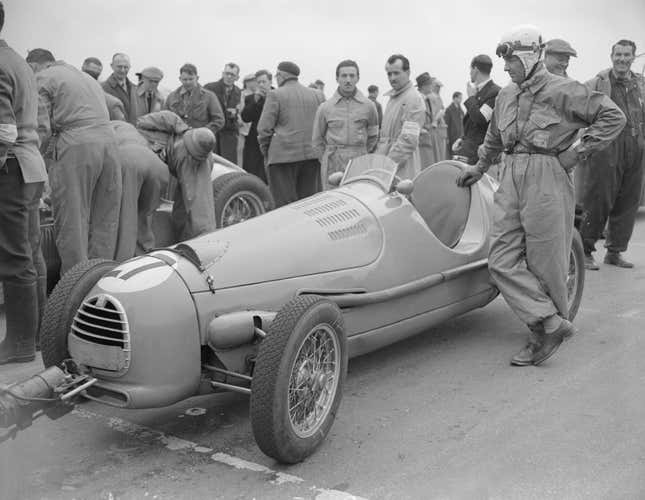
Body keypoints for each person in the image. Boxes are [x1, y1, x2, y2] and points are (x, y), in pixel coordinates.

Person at [456, 24, 625, 367]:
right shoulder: (506, 94)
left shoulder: (564, 90)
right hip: (510, 175)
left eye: (512, 61)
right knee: (500, 259)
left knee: (546, 261)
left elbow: (613, 117)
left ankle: (543, 333)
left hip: (548, 174)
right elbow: (494, 138)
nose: (506, 68)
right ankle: (550, 322)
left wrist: (578, 152)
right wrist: (479, 167)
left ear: (530, 56)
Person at [28, 48, 123, 276]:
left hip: (78, 146)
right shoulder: (87, 79)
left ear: (34, 65)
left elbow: (40, 128)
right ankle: (99, 281)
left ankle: (73, 286)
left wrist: (33, 165)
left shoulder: (43, 78)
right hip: (110, 145)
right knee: (104, 220)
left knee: (73, 220)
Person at [0, 2, 49, 364]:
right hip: (30, 166)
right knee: (30, 254)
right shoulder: (17, 59)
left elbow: (3, 131)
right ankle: (34, 337)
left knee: (15, 256)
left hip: (12, 167)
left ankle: (18, 345)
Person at [578, 39, 645, 270]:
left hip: (636, 146)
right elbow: (578, 107)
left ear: (634, 58)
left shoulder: (641, 84)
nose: (622, 59)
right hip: (607, 147)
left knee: (629, 201)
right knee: (597, 199)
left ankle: (615, 251)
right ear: (611, 56)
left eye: (627, 55)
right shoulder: (597, 82)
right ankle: (584, 251)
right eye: (618, 54)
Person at [257, 61, 325, 207]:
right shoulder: (318, 95)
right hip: (311, 157)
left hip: (282, 159)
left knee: (285, 207)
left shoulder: (275, 94)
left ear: (281, 75)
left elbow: (263, 129)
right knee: (309, 206)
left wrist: (266, 150)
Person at [312, 59, 379, 189]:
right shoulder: (325, 108)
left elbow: (373, 137)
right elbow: (317, 140)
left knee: (360, 199)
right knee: (332, 203)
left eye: (352, 75)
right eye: (344, 76)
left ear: (358, 78)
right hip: (333, 163)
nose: (348, 80)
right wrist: (327, 160)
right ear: (337, 78)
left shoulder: (369, 106)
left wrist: (360, 153)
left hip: (359, 163)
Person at [111, 120, 168, 259]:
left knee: (127, 216)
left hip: (129, 162)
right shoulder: (131, 129)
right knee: (145, 215)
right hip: (158, 166)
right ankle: (146, 253)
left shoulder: (101, 127)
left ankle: (124, 261)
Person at [375, 54, 426, 179]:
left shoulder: (413, 98)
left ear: (407, 72)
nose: (392, 78)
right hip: (384, 164)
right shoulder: (393, 98)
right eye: (389, 74)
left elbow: (408, 141)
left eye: (396, 73)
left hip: (400, 168)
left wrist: (388, 165)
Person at [453, 54, 501, 165]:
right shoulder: (477, 91)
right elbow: (472, 124)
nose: (470, 72)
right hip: (469, 149)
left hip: (481, 154)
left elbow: (481, 119)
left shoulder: (495, 92)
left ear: (475, 69)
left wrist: (470, 98)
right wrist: (462, 139)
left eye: (470, 69)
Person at [165, 63, 225, 139]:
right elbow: (164, 119)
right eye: (185, 79)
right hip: (176, 142)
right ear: (180, 79)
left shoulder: (209, 96)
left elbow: (219, 120)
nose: (188, 82)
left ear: (197, 78)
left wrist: (202, 133)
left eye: (191, 79)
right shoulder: (171, 97)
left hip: (201, 142)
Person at [205, 63, 242, 163]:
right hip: (213, 133)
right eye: (227, 73)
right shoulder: (210, 87)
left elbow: (239, 110)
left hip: (229, 135)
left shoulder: (238, 91)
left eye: (232, 75)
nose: (229, 77)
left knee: (228, 166)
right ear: (222, 74)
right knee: (212, 165)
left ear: (237, 77)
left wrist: (236, 113)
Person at [241, 69, 272, 183]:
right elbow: (246, 117)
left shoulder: (278, 95)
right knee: (252, 171)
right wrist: (255, 101)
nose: (261, 85)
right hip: (254, 140)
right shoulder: (251, 98)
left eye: (264, 82)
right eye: (259, 82)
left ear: (270, 81)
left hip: (272, 139)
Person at [102, 52, 138, 124]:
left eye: (126, 67)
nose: (122, 70)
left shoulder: (135, 89)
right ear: (112, 66)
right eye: (119, 67)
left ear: (130, 67)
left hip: (133, 132)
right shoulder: (102, 88)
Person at [416, 72, 436, 168]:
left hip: (426, 137)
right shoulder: (417, 99)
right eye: (430, 84)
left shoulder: (426, 99)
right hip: (421, 139)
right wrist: (420, 129)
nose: (432, 86)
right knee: (423, 168)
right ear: (424, 86)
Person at [237, 73, 257, 167]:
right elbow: (238, 109)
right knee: (240, 150)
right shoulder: (241, 94)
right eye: (249, 81)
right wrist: (239, 119)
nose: (253, 83)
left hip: (255, 128)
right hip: (243, 128)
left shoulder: (259, 94)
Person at [428, 77, 448, 162]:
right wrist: (437, 119)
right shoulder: (432, 97)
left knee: (440, 156)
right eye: (437, 86)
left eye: (439, 87)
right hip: (436, 130)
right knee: (437, 157)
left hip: (440, 130)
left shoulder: (437, 97)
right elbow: (434, 115)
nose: (438, 89)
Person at [444, 91, 464, 158]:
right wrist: (447, 137)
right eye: (459, 98)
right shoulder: (449, 110)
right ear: (455, 98)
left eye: (461, 98)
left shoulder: (461, 110)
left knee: (459, 154)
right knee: (452, 154)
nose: (461, 100)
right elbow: (446, 124)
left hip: (460, 136)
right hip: (452, 136)